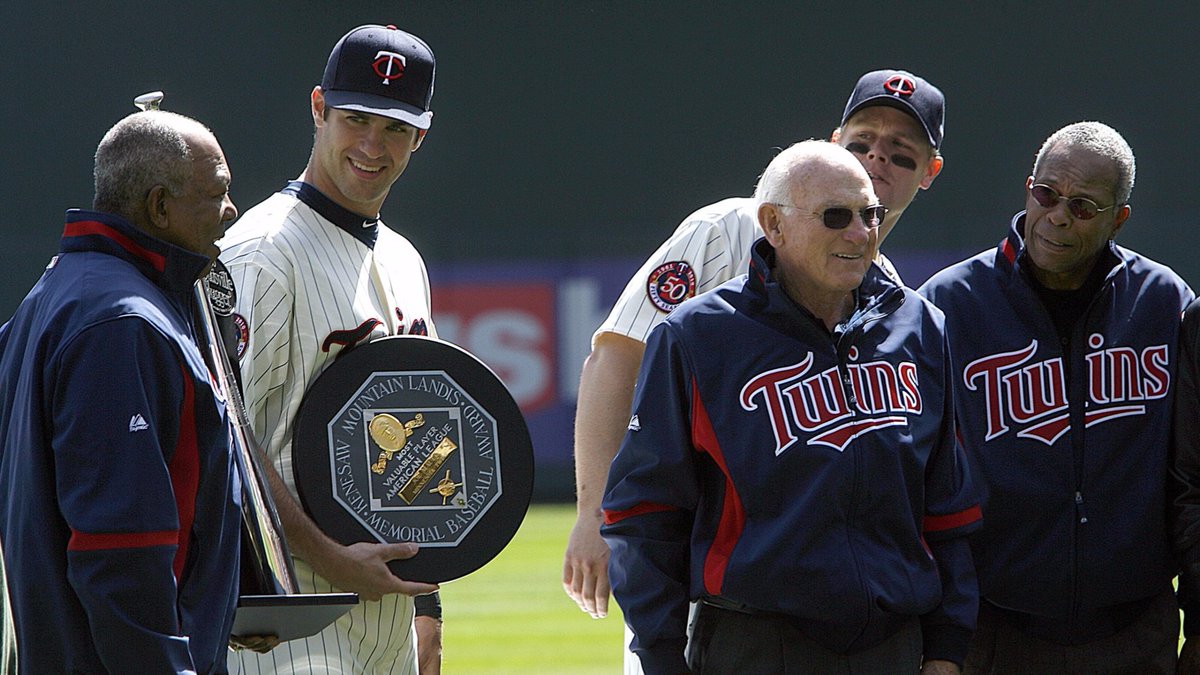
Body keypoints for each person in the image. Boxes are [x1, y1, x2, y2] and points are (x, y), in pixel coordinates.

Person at [562, 68, 948, 670]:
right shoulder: (729, 228)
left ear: (929, 173)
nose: (876, 159)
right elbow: (617, 354)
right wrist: (592, 513)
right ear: (832, 138)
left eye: (900, 154)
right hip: (712, 597)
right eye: (862, 141)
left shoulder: (891, 298)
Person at [919, 121, 1192, 674]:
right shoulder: (948, 305)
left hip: (1136, 629)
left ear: (1119, 218)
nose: (1059, 216)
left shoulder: (1164, 302)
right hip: (993, 630)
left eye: (1084, 206)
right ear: (1028, 189)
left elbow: (1191, 471)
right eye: (1047, 194)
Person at [218, 24, 444, 675]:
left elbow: (420, 443)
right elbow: (222, 436)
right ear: (319, 109)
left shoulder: (403, 258)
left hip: (388, 616)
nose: (373, 145)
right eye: (356, 118)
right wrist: (331, 556)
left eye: (396, 128)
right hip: (286, 618)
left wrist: (428, 602)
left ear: (420, 135)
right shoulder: (263, 252)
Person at [0, 109, 242, 673]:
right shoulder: (121, 323)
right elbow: (118, 551)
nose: (231, 211)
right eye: (218, 194)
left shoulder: (54, 294)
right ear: (159, 206)